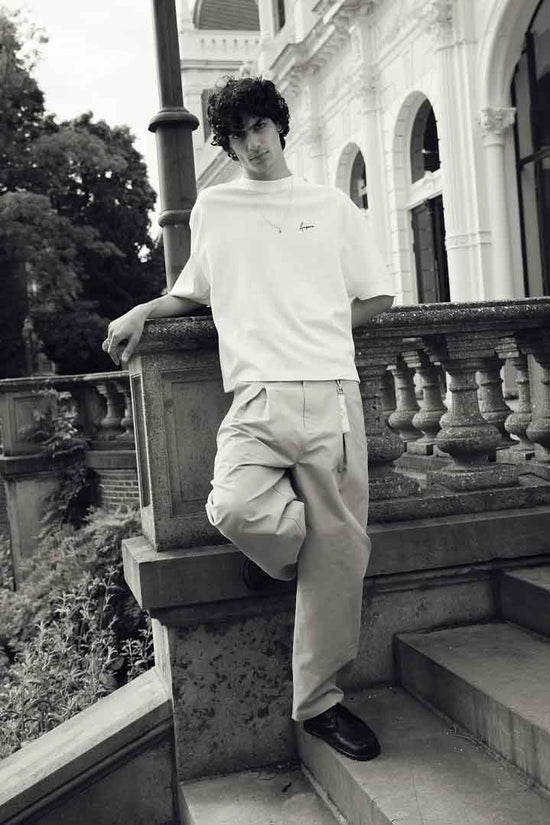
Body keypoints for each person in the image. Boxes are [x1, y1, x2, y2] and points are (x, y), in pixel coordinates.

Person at [103, 76, 394, 762]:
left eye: (260, 127)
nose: (252, 144)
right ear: (227, 146)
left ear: (278, 127)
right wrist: (143, 309)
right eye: (236, 136)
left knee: (340, 548)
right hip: (256, 395)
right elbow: (194, 292)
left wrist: (316, 324)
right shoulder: (217, 207)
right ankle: (284, 557)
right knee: (233, 506)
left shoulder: (330, 206)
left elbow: (377, 296)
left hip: (329, 391)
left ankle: (320, 703)